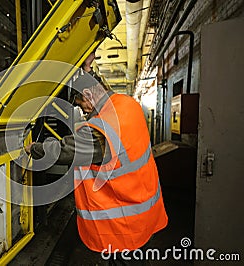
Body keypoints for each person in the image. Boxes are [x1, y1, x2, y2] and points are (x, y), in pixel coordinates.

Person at [24, 53, 168, 265]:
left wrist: (33, 148)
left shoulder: (101, 130)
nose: (81, 110)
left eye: (80, 103)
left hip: (122, 225)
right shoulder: (128, 105)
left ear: (89, 95)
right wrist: (87, 70)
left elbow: (64, 151)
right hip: (142, 208)